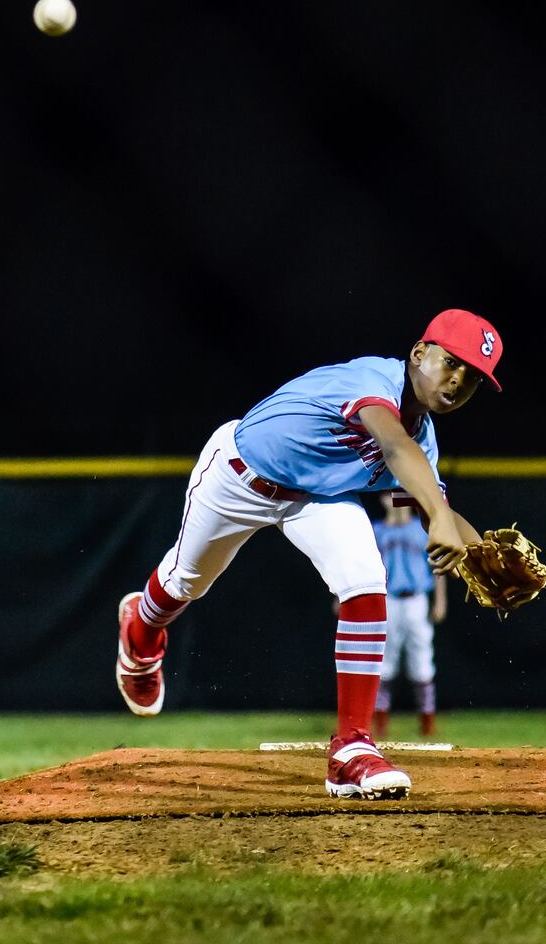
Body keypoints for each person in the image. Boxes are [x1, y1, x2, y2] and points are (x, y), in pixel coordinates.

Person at [115, 309, 503, 799]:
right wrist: (440, 516)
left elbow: (433, 507)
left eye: (473, 379)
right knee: (183, 585)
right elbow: (392, 445)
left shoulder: (423, 441)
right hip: (238, 475)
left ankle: (351, 749)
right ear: (419, 354)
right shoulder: (376, 380)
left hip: (316, 498)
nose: (458, 381)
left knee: (365, 580)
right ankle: (142, 626)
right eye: (451, 363)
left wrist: (482, 553)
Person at [371, 491, 447, 738]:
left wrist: (440, 601)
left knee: (422, 663)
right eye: (388, 495)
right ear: (381, 500)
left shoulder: (420, 529)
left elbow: (437, 566)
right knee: (384, 663)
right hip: (388, 599)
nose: (392, 500)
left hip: (416, 599)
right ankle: (379, 723)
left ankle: (428, 722)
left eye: (398, 495)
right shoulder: (376, 531)